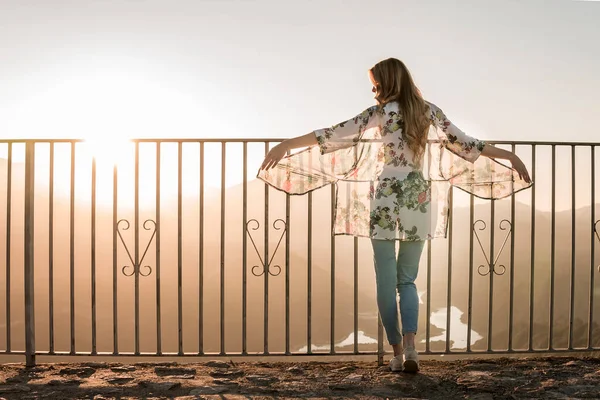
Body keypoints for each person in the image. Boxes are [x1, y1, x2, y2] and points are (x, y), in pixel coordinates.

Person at [258, 58, 532, 373]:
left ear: (388, 82)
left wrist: (286, 145)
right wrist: (507, 154)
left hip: (385, 197)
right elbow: (465, 143)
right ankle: (413, 349)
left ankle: (398, 353)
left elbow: (331, 135)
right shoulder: (428, 110)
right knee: (408, 279)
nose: (375, 92)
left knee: (385, 282)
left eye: (377, 85)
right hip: (418, 197)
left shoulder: (378, 113)